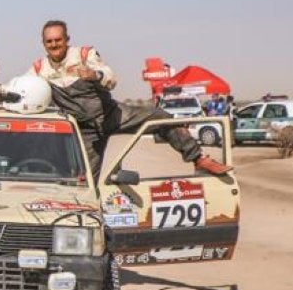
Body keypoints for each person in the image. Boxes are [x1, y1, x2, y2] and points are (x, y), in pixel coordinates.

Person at [28, 19, 231, 179]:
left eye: (58, 40)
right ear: (43, 43)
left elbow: (109, 76)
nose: (54, 44)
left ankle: (198, 158)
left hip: (113, 114)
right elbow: (19, 91)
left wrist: (94, 75)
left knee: (161, 116)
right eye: (49, 41)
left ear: (67, 39)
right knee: (87, 180)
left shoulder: (84, 54)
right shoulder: (39, 69)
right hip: (86, 131)